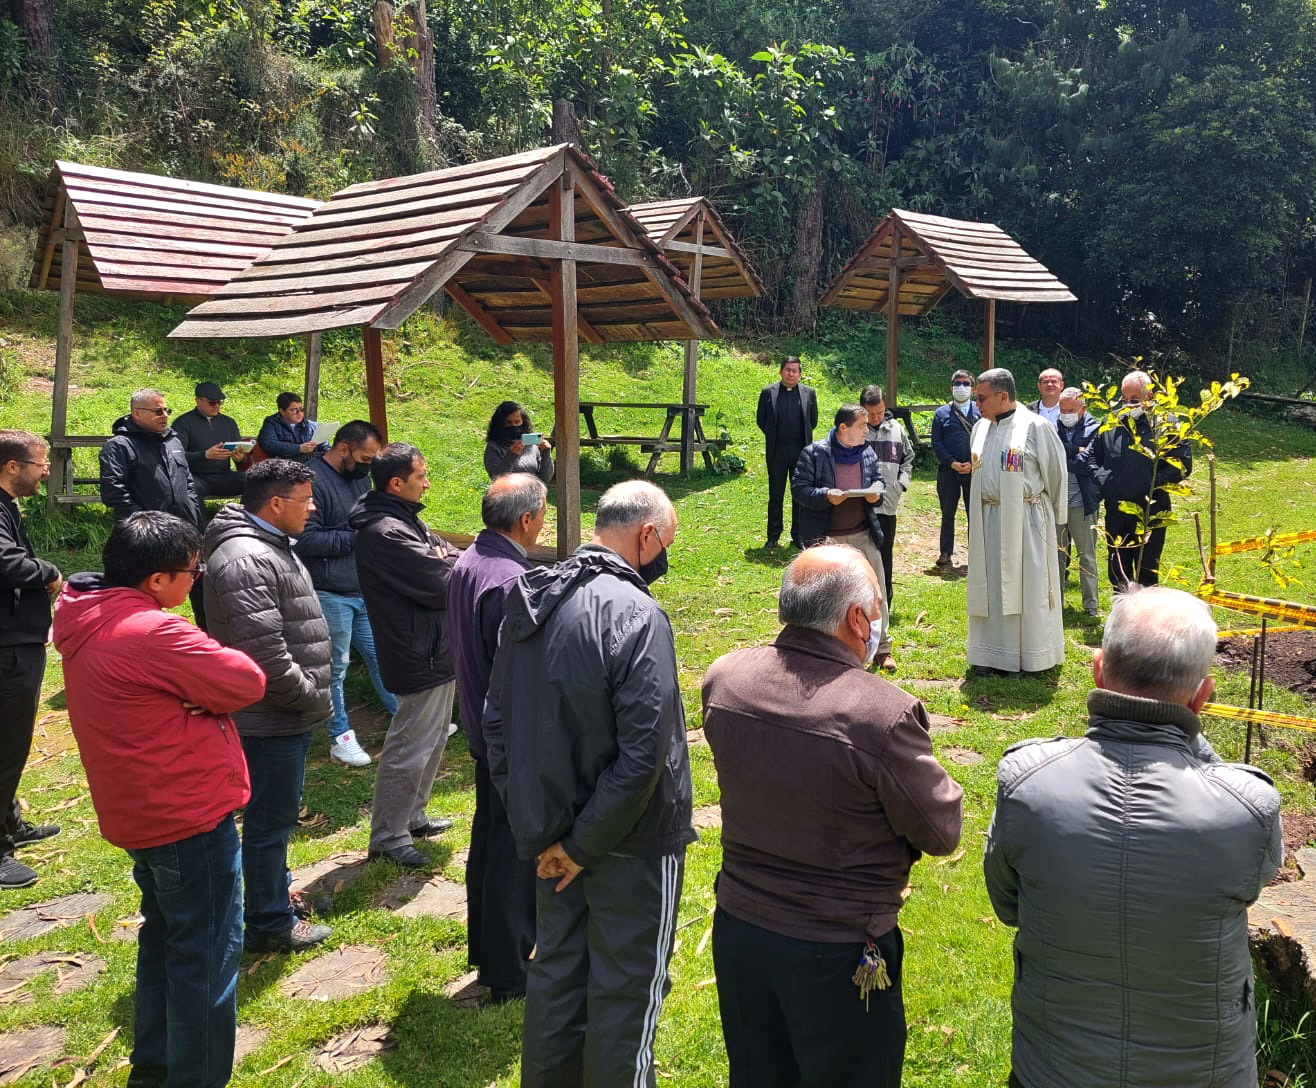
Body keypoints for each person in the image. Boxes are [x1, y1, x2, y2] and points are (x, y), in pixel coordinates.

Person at [984, 586, 1283, 1088]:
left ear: (1097, 669)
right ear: (1203, 696)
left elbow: (1008, 904)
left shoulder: (1025, 783)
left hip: (1054, 1070)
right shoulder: (1246, 807)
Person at [703, 545, 963, 1088]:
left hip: (741, 929)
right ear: (855, 618)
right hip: (840, 946)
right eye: (877, 609)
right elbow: (941, 830)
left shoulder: (725, 679)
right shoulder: (881, 713)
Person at [484, 480, 694, 1088]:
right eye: (668, 541)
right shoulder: (637, 613)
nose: (665, 555)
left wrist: (541, 829)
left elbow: (494, 727)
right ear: (647, 535)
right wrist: (582, 845)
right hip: (629, 846)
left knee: (557, 982)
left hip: (552, 839)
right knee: (626, 995)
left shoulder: (530, 598)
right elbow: (643, 754)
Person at [53, 512, 266, 1088]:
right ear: (155, 580)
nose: (196, 581)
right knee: (207, 959)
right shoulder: (155, 633)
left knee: (165, 941)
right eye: (192, 572)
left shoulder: (89, 615)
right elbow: (246, 681)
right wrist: (201, 692)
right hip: (187, 815)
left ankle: (154, 1066)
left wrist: (193, 691)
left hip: (141, 809)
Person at [203, 458, 333, 954]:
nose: (314, 507)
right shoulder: (246, 558)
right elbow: (265, 652)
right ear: (275, 504)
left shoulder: (269, 544)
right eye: (305, 499)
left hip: (283, 711)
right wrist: (306, 695)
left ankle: (273, 898)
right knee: (268, 823)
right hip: (272, 715)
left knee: (273, 820)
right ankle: (269, 922)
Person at [448, 473, 547, 1004]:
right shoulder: (510, 580)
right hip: (508, 737)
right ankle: (509, 970)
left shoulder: (470, 560)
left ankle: (488, 949)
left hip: (483, 733)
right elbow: (522, 675)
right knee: (512, 853)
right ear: (527, 520)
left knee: (488, 844)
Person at [351, 443, 459, 869]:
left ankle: (413, 817)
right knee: (410, 744)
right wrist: (440, 559)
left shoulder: (405, 520)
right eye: (421, 477)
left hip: (435, 646)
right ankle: (388, 836)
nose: (428, 482)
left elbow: (448, 557)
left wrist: (441, 556)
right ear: (396, 483)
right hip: (418, 651)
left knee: (433, 739)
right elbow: (442, 581)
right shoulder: (385, 531)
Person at [294, 420, 396, 768]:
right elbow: (306, 539)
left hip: (363, 587)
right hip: (330, 591)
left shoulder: (360, 477)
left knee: (383, 659)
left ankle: (407, 718)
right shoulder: (312, 481)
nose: (369, 465)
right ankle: (340, 737)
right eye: (365, 457)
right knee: (335, 668)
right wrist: (357, 536)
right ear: (342, 449)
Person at [966, 368, 1067, 674]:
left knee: (1026, 587)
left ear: (1003, 396)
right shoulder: (980, 428)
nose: (977, 404)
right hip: (988, 519)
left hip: (1026, 520)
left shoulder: (1036, 428)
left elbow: (1057, 475)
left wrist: (1056, 519)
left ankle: (1027, 656)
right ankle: (991, 654)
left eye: (981, 398)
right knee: (991, 586)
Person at [0, 430, 61, 889]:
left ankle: (9, 822)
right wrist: (51, 572)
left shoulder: (7, 505)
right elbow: (8, 563)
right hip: (6, 643)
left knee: (14, 741)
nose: (45, 470)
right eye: (39, 463)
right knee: (4, 743)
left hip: (18, 637)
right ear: (12, 466)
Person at [791, 405, 894, 671]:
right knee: (828, 598)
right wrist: (825, 495)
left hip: (863, 534)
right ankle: (825, 649)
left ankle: (882, 649)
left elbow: (879, 481)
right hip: (827, 539)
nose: (867, 430)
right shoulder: (814, 453)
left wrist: (876, 494)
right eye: (862, 425)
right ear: (843, 428)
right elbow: (800, 490)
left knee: (875, 593)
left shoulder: (867, 453)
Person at [1086, 370, 1192, 589]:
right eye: (1124, 399)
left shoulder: (1166, 424)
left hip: (1149, 511)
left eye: (1134, 400)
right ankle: (1121, 620)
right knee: (1118, 574)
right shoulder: (1111, 420)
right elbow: (1092, 456)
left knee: (1147, 575)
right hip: (1116, 511)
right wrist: (1104, 482)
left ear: (1150, 396)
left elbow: (1182, 465)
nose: (1128, 404)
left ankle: (1147, 622)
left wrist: (1148, 486)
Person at [99, 388, 202, 527]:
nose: (165, 415)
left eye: (167, 410)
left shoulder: (172, 441)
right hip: (145, 533)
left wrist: (191, 510)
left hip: (183, 527)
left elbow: (187, 480)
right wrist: (144, 523)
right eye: (158, 411)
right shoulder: (119, 446)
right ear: (137, 413)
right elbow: (114, 492)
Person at [860, 384, 914, 609]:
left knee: (884, 556)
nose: (875, 418)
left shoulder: (896, 429)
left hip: (887, 507)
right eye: (870, 414)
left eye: (880, 412)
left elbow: (908, 459)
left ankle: (885, 605)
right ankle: (860, 604)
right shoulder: (855, 429)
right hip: (859, 505)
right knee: (860, 557)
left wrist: (900, 484)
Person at [756, 356, 818, 549]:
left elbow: (812, 421)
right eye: (787, 370)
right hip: (778, 449)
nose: (791, 374)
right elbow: (761, 419)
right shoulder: (768, 392)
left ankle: (798, 536)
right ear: (780, 371)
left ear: (800, 374)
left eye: (795, 370)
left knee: (799, 493)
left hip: (801, 450)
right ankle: (773, 536)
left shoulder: (809, 393)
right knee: (776, 494)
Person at [1055, 387, 1101, 617]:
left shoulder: (1096, 428)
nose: (1065, 414)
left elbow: (1084, 463)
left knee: (1087, 556)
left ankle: (1091, 606)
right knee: (1056, 556)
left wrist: (1068, 455)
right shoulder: (1053, 427)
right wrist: (1075, 449)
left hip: (1083, 503)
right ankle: (1056, 603)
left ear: (1083, 409)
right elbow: (1050, 458)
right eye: (1062, 410)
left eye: (1071, 410)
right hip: (1056, 502)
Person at [929, 370, 980, 566]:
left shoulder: (980, 411)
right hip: (948, 470)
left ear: (973, 389)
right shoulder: (941, 413)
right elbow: (937, 442)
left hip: (973, 470)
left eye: (966, 384)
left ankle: (975, 553)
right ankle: (945, 552)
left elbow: (985, 438)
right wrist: (951, 462)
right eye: (957, 384)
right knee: (947, 512)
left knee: (974, 513)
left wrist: (973, 463)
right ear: (951, 388)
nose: (962, 387)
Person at [171, 381, 246, 500]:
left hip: (223, 476)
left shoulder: (229, 423)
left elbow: (241, 454)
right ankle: (198, 519)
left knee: (254, 482)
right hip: (195, 476)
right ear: (198, 401)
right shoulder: (183, 423)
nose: (217, 405)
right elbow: (176, 457)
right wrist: (205, 455)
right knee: (188, 488)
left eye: (219, 402)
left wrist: (240, 459)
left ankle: (246, 518)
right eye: (212, 402)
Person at [484, 401, 555, 483]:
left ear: (523, 422)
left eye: (517, 422)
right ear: (500, 424)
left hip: (533, 493)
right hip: (507, 494)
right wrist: (511, 456)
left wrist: (546, 454)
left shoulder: (530, 444)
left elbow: (545, 478)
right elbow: (497, 479)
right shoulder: (494, 447)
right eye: (508, 422)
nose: (513, 426)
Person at [257, 392, 326, 463]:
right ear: (282, 411)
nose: (299, 413)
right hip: (283, 465)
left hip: (310, 463)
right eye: (294, 410)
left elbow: (325, 446)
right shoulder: (272, 423)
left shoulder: (311, 425)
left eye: (301, 409)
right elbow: (270, 445)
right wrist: (299, 448)